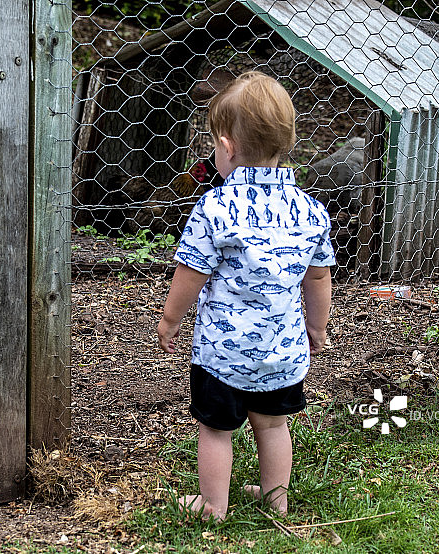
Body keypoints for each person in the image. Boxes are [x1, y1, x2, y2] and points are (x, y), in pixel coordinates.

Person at [156, 71, 334, 521]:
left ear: (228, 147)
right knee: (274, 425)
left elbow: (190, 271)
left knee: (215, 430)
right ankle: (278, 500)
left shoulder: (214, 208)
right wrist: (317, 326)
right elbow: (318, 278)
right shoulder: (311, 210)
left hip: (223, 353)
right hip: (282, 349)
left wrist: (171, 318)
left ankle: (214, 504)